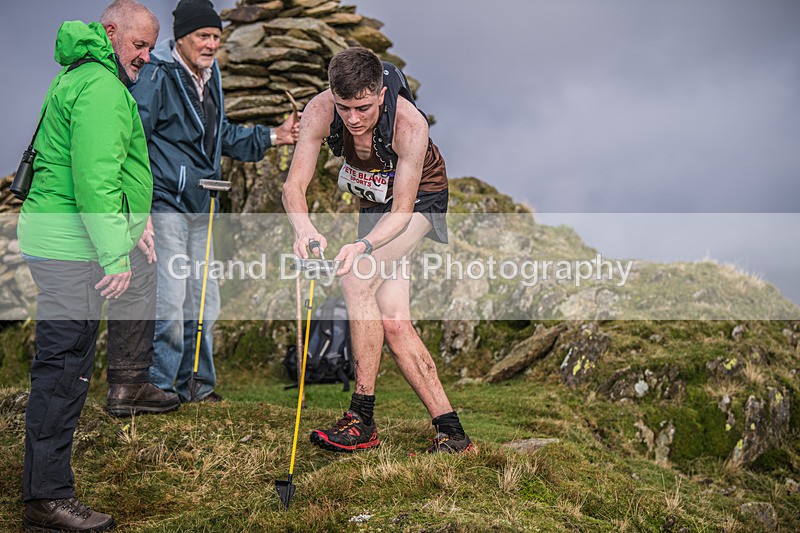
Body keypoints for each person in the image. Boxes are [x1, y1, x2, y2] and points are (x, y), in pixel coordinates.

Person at [16, 2, 172, 530]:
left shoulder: (81, 74)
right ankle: (46, 498)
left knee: (66, 362)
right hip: (71, 246)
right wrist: (113, 254)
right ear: (111, 33)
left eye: (151, 47)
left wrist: (134, 228)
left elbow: (103, 173)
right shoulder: (102, 89)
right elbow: (94, 182)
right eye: (139, 45)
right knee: (64, 370)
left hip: (60, 237)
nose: (146, 57)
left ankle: (129, 386)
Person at [282, 47, 473, 454]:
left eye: (363, 108)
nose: (352, 118)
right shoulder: (319, 111)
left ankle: (361, 418)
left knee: (357, 276)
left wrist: (363, 244)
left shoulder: (409, 124)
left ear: (381, 95)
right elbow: (293, 186)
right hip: (373, 202)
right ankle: (453, 433)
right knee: (395, 322)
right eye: (344, 107)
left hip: (418, 201)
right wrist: (304, 229)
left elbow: (402, 212)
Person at [130, 0, 299, 404]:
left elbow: (217, 133)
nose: (211, 44)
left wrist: (275, 136)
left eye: (216, 37)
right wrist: (137, 205)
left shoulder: (210, 74)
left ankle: (197, 386)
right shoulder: (157, 75)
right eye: (203, 36)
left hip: (203, 205)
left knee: (205, 299)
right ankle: (157, 385)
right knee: (170, 296)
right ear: (183, 37)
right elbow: (134, 137)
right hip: (166, 201)